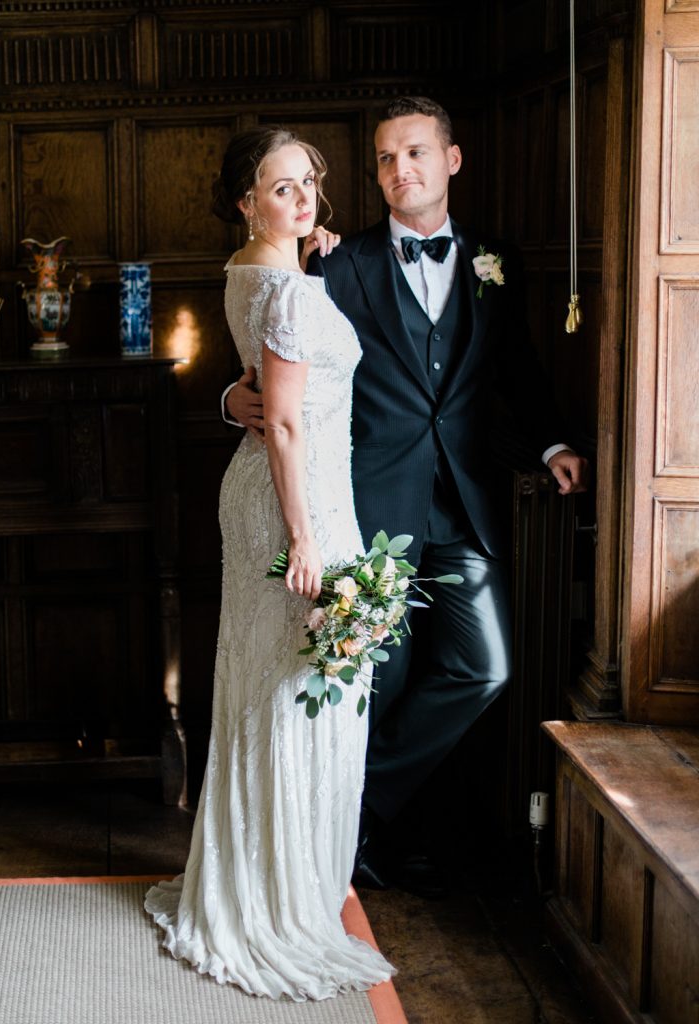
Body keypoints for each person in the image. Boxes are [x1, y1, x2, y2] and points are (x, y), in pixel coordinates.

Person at [225, 96, 589, 897]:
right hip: (366, 506)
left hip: (465, 507)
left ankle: (357, 810)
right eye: (386, 158)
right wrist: (230, 398)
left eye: (416, 153)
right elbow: (276, 358)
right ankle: (340, 842)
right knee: (367, 684)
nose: (401, 170)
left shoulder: (495, 260)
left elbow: (516, 368)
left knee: (485, 667)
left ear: (451, 160)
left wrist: (553, 445)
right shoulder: (334, 261)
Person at [144, 127, 394, 1000]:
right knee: (296, 693)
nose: (301, 199)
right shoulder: (283, 289)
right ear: (245, 201)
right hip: (296, 499)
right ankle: (278, 899)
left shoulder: (253, 269)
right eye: (279, 188)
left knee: (276, 685)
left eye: (307, 184)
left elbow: (268, 375)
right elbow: (283, 420)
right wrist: (304, 538)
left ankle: (275, 876)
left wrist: (307, 257)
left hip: (284, 488)